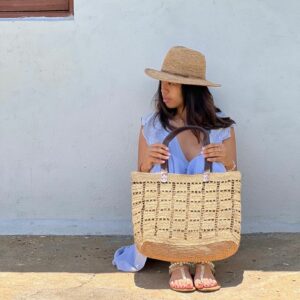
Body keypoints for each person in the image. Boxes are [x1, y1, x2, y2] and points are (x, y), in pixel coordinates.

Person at [112, 46, 237, 293]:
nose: (163, 90)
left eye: (172, 84)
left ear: (190, 89)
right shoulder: (151, 125)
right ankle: (176, 259)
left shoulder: (221, 126)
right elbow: (142, 177)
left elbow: (232, 179)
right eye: (162, 83)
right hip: (166, 220)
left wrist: (227, 160)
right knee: (161, 164)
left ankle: (204, 259)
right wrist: (147, 161)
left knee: (208, 164)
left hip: (207, 219)